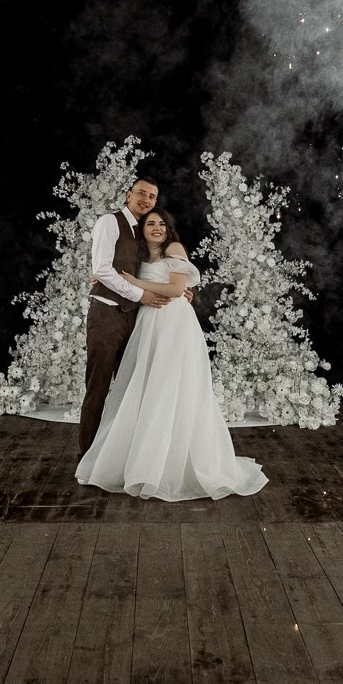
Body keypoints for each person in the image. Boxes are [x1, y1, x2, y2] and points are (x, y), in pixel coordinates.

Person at [76, 209, 267, 501]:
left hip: (173, 324)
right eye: (150, 223)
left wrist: (140, 285)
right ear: (142, 230)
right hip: (148, 323)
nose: (156, 228)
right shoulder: (138, 254)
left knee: (172, 387)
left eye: (161, 223)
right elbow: (111, 271)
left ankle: (172, 463)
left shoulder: (174, 249)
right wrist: (100, 276)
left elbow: (178, 288)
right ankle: (139, 458)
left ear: (168, 228)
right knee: (147, 388)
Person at [80, 176, 172, 452]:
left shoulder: (146, 231)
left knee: (129, 390)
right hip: (107, 317)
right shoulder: (109, 222)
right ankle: (86, 454)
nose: (146, 200)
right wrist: (140, 295)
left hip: (135, 320)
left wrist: (181, 290)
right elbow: (103, 269)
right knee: (98, 388)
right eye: (141, 193)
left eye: (152, 197)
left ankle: (116, 455)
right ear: (127, 194)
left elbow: (156, 271)